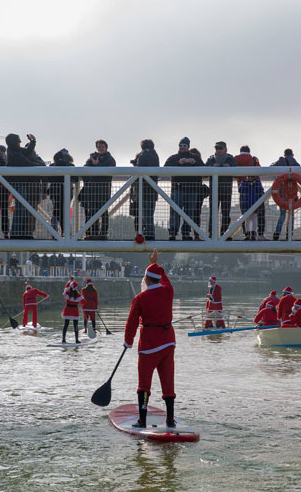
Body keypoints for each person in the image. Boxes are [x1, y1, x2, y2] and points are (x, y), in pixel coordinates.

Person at [123, 249, 177, 428]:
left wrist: (128, 341)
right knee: (168, 381)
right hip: (168, 342)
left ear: (145, 279)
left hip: (148, 345)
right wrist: (155, 263)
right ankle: (170, 419)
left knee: (144, 384)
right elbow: (165, 279)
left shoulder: (140, 298)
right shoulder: (168, 291)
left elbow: (131, 322)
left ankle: (142, 420)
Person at [164, 138, 204, 240]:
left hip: (192, 189)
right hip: (178, 188)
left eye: (185, 145)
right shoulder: (173, 158)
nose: (182, 147)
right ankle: (173, 233)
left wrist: (195, 163)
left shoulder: (195, 157)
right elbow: (165, 168)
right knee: (175, 212)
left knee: (189, 212)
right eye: (181, 145)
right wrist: (178, 163)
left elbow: (204, 169)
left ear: (188, 147)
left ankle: (186, 233)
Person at [80, 139, 116, 240]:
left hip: (104, 189)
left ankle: (103, 233)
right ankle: (94, 233)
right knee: (93, 212)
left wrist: (96, 165)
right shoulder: (92, 158)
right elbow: (85, 169)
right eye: (99, 146)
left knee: (103, 212)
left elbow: (109, 171)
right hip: (92, 190)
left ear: (106, 147)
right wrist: (88, 181)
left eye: (102, 146)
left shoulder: (110, 159)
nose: (100, 148)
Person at [205, 141, 237, 237]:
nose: (218, 150)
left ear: (225, 149)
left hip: (226, 190)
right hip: (214, 191)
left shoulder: (231, 159)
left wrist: (229, 167)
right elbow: (205, 170)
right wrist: (212, 167)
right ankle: (211, 233)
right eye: (216, 148)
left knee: (226, 212)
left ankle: (225, 233)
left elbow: (236, 170)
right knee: (213, 212)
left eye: (220, 148)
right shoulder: (211, 159)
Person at [130, 139, 159, 240]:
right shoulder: (155, 155)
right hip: (152, 189)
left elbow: (139, 170)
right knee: (149, 214)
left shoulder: (143, 154)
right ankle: (150, 233)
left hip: (143, 191)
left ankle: (147, 234)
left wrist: (136, 165)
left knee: (144, 214)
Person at [235, 146, 265, 240]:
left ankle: (246, 234)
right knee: (258, 215)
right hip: (255, 192)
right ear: (249, 151)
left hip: (243, 191)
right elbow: (259, 170)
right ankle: (259, 233)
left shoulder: (235, 159)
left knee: (245, 216)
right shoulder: (253, 159)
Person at [271, 149, 300, 240]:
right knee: (291, 214)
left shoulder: (279, 161)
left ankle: (277, 233)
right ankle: (289, 234)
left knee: (282, 214)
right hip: (292, 190)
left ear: (284, 155)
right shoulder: (294, 162)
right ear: (292, 155)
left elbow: (270, 167)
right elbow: (300, 172)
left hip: (281, 190)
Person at [46, 148, 77, 236]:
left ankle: (56, 232)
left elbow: (50, 178)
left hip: (57, 191)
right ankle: (65, 232)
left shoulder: (53, 166)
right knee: (61, 212)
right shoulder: (70, 166)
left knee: (57, 212)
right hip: (63, 191)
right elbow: (75, 179)